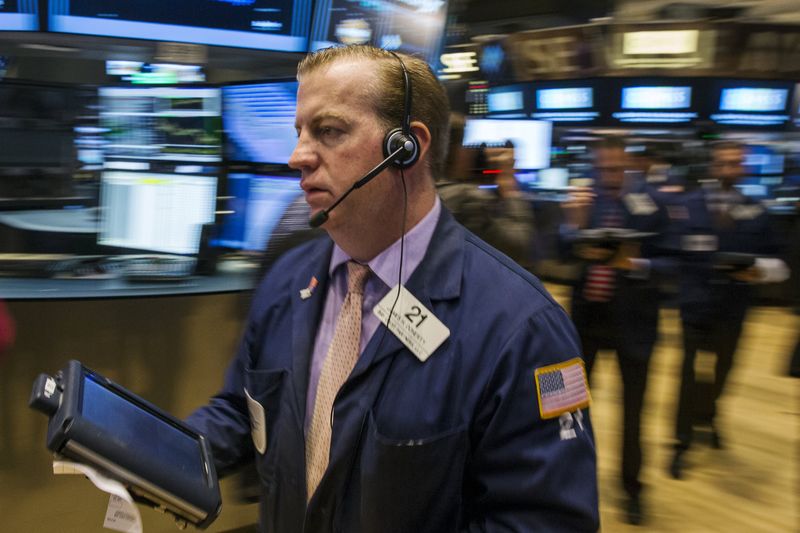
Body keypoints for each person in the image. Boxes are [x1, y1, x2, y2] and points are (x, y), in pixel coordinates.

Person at [188, 45, 599, 532]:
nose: (297, 156)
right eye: (298, 132)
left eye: (329, 131)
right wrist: (143, 448)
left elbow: (544, 523)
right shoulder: (289, 276)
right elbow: (242, 407)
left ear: (406, 147)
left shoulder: (526, 329)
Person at [561, 136, 673, 525]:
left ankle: (632, 488)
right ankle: (564, 478)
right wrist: (572, 229)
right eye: (601, 168)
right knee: (566, 408)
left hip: (635, 326)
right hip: (583, 323)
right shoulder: (582, 203)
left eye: (614, 168)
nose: (607, 175)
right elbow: (557, 256)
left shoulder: (653, 207)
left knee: (634, 411)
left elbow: (674, 267)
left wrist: (636, 265)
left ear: (628, 165)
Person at [670, 141, 790, 478]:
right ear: (712, 166)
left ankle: (709, 413)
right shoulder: (687, 206)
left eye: (734, 164)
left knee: (723, 371)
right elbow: (674, 253)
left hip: (734, 309)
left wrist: (760, 271)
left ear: (743, 168)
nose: (727, 170)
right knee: (688, 375)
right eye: (722, 163)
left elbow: (781, 262)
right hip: (694, 307)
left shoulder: (757, 210)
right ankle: (681, 441)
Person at [436, 113, 535, 267]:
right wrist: (508, 185)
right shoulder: (469, 200)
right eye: (465, 145)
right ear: (454, 150)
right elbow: (518, 246)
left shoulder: (418, 191)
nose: (471, 151)